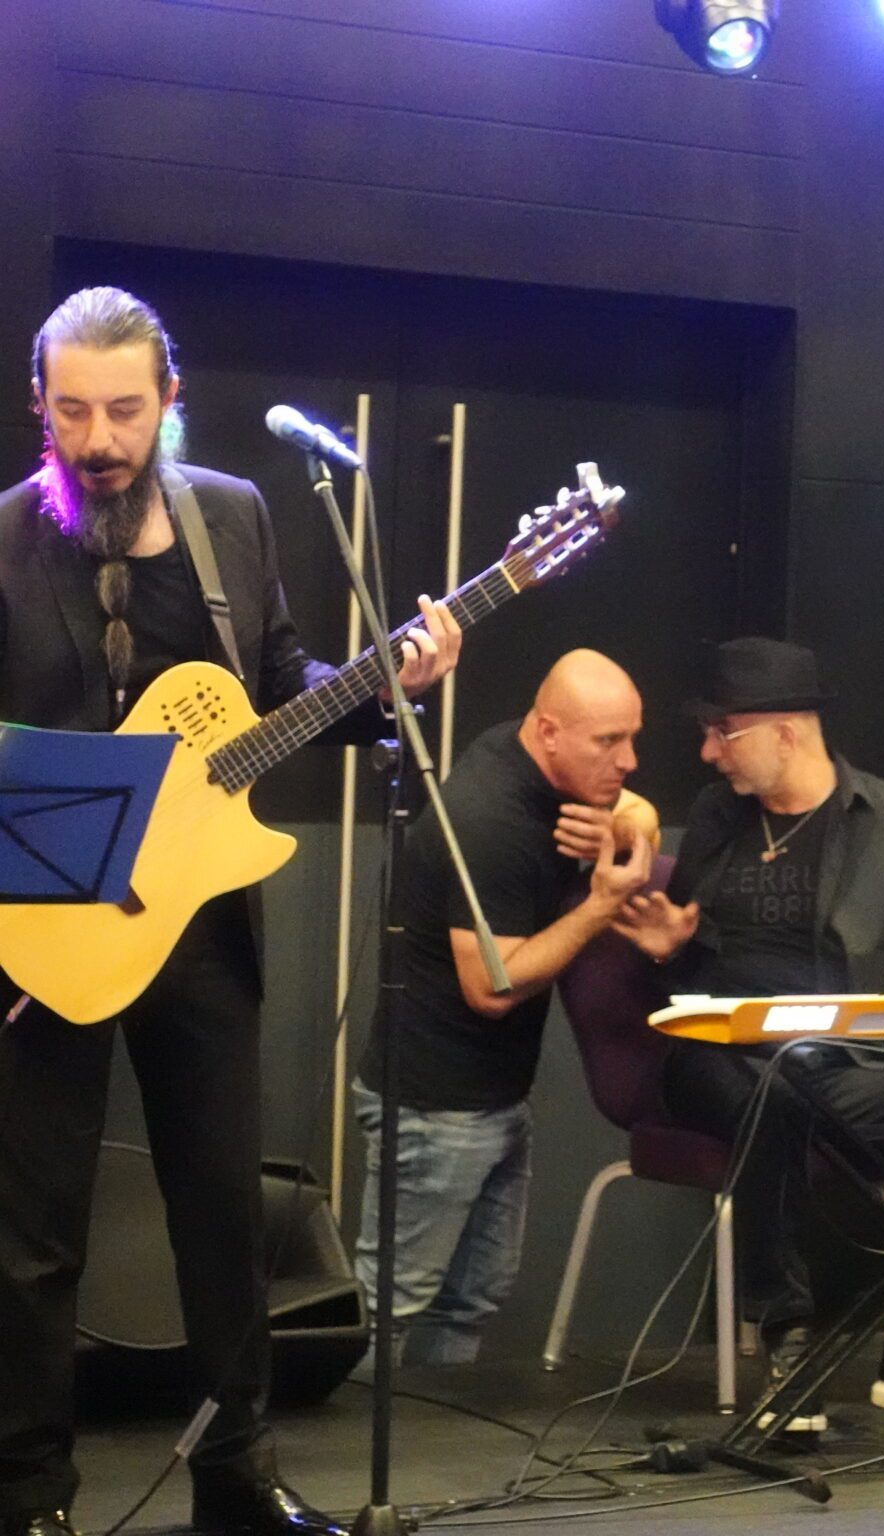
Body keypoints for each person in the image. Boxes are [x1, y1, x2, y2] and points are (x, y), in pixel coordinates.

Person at [0, 287, 460, 1536]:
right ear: (40, 403)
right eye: (73, 411)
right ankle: (31, 1496)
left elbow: (279, 684)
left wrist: (386, 685)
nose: (100, 439)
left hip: (199, 924)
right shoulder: (6, 540)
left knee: (220, 1216)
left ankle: (236, 1483)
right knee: (34, 1238)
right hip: (46, 925)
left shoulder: (233, 518)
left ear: (171, 400)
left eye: (125, 410)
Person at [611, 636, 884, 1432]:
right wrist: (672, 947)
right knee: (774, 1100)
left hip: (839, 1061)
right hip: (717, 1053)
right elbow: (687, 940)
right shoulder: (718, 817)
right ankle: (787, 1336)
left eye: (723, 732)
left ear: (786, 732)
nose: (709, 752)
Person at [350, 649, 654, 1365]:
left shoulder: (538, 764)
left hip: (494, 1096)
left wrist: (623, 830)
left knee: (472, 1299)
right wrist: (600, 907)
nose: (630, 760)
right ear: (549, 732)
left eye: (632, 737)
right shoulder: (491, 819)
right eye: (609, 741)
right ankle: (351, 1434)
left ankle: (436, 1432)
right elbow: (492, 987)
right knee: (388, 1306)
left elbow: (640, 808)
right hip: (435, 1105)